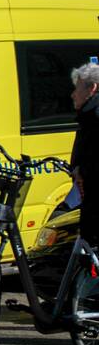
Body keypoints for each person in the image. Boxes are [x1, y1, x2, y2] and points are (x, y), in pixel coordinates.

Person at [71, 62, 99, 245]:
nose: (73, 94)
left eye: (78, 88)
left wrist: (82, 171)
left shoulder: (95, 116)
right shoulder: (88, 115)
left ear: (92, 88)